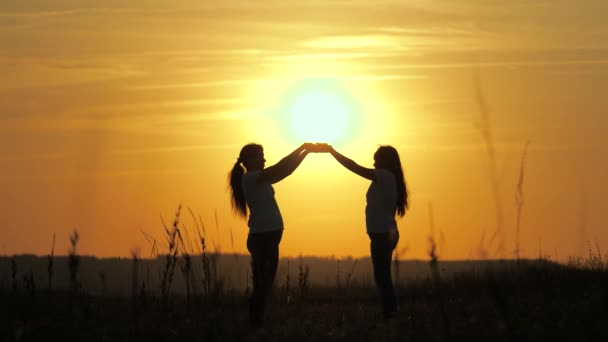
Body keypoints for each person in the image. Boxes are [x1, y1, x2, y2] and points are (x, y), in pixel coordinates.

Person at [228, 142, 319, 328]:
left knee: (264, 284)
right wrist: (302, 147)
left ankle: (255, 322)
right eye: (260, 157)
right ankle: (255, 323)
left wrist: (306, 152)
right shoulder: (250, 178)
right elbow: (280, 168)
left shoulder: (259, 178)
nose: (264, 160)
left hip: (267, 237)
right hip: (263, 238)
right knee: (263, 285)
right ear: (250, 160)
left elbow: (285, 171)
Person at [321, 144, 408, 320]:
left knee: (382, 277)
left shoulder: (383, 176)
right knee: (383, 275)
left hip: (382, 234)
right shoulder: (390, 178)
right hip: (385, 233)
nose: (374, 163)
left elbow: (355, 168)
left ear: (385, 161)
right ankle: (390, 312)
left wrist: (333, 152)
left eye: (377, 159)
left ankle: (389, 313)